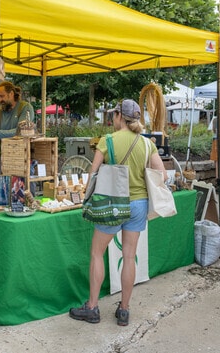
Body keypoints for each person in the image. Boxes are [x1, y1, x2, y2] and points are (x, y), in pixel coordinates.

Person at [69, 99, 166, 326]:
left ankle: (92, 307)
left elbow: (92, 175)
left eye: (114, 115)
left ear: (120, 116)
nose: (112, 118)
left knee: (96, 253)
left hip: (113, 203)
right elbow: (163, 175)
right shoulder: (147, 144)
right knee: (130, 256)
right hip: (139, 204)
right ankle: (124, 310)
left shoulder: (108, 141)